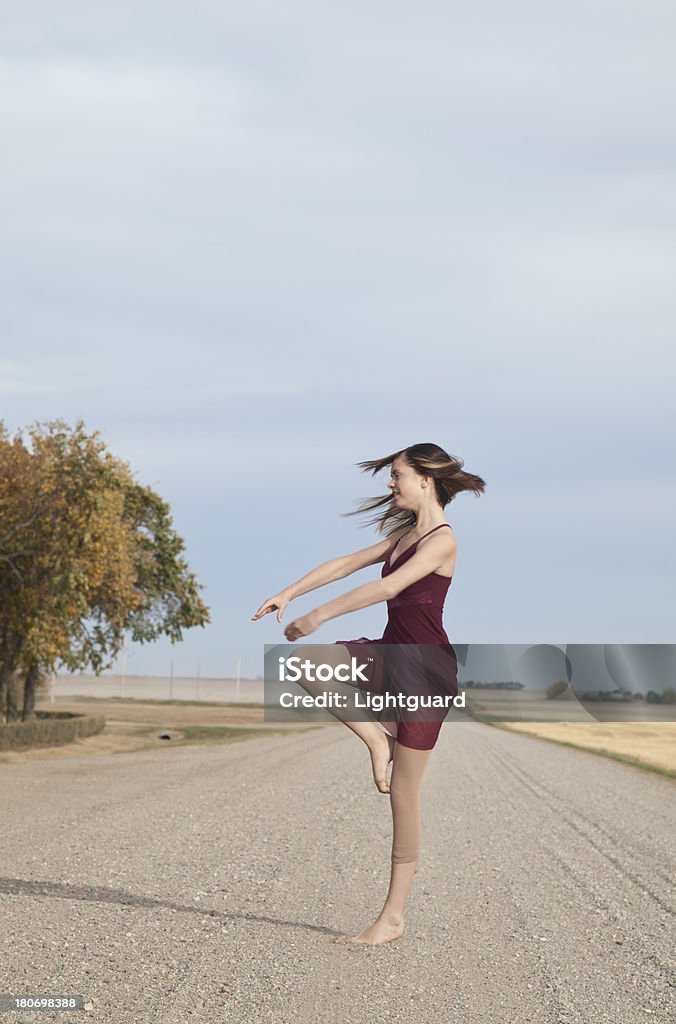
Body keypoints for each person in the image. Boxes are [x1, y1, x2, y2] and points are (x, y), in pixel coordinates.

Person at [252, 442, 485, 945]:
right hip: (389, 653)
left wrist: (319, 616)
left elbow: (387, 589)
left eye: (397, 475)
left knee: (403, 793)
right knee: (302, 663)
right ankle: (378, 741)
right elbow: (345, 564)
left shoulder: (443, 540)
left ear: (425, 479)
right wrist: (289, 593)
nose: (390, 483)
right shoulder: (404, 535)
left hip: (424, 671)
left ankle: (393, 918)